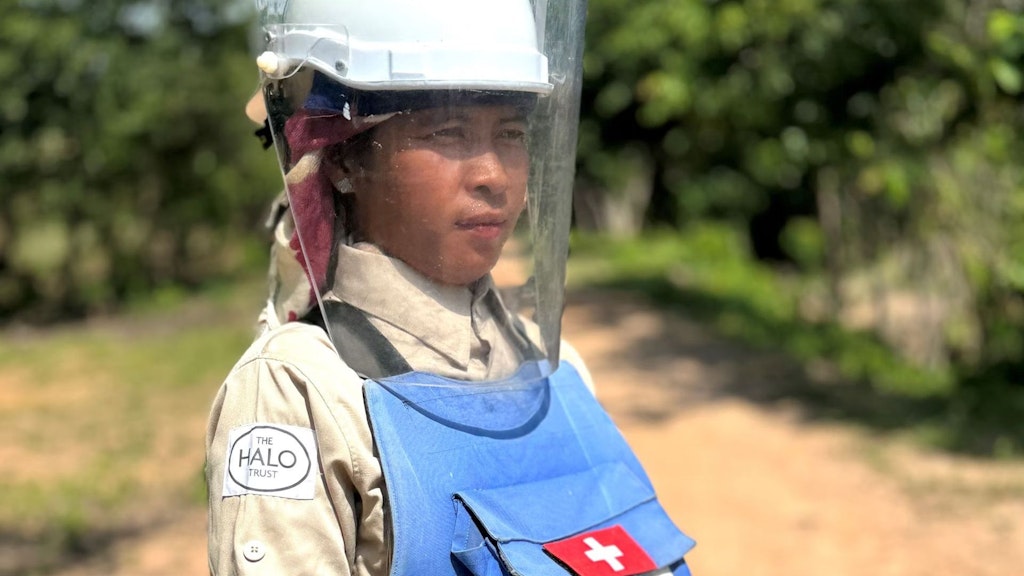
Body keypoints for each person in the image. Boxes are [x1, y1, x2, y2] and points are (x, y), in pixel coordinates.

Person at [205, 1, 695, 574]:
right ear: (341, 160)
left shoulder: (557, 371)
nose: (493, 175)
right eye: (449, 131)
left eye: (511, 132)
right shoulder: (301, 391)